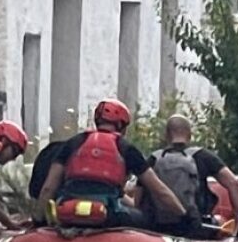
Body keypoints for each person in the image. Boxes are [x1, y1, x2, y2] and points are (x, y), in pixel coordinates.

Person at [38, 98, 185, 228]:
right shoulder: (127, 149)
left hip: (68, 212)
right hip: (108, 215)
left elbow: (48, 188)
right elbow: (159, 190)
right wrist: (185, 216)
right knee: (145, 220)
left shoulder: (72, 143)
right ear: (122, 126)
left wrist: (38, 221)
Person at [139, 114, 238, 239]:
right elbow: (233, 183)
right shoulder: (203, 156)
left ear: (167, 135)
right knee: (220, 222)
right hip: (196, 228)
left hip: (159, 229)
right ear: (189, 134)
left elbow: (139, 197)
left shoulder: (153, 159)